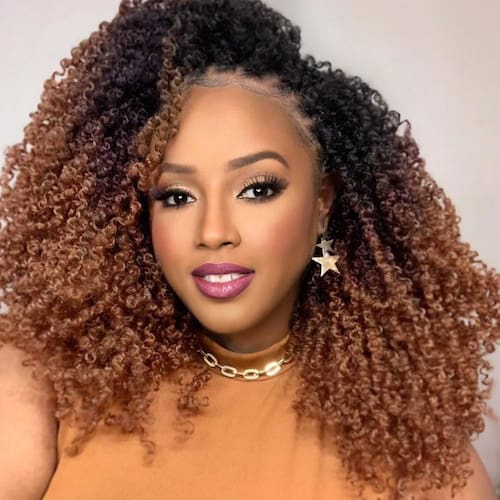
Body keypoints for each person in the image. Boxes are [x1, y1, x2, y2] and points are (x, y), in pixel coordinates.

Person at [0, 0, 498, 499]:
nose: (214, 231)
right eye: (177, 196)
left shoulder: (411, 439)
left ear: (323, 201)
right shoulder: (46, 377)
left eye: (258, 189)